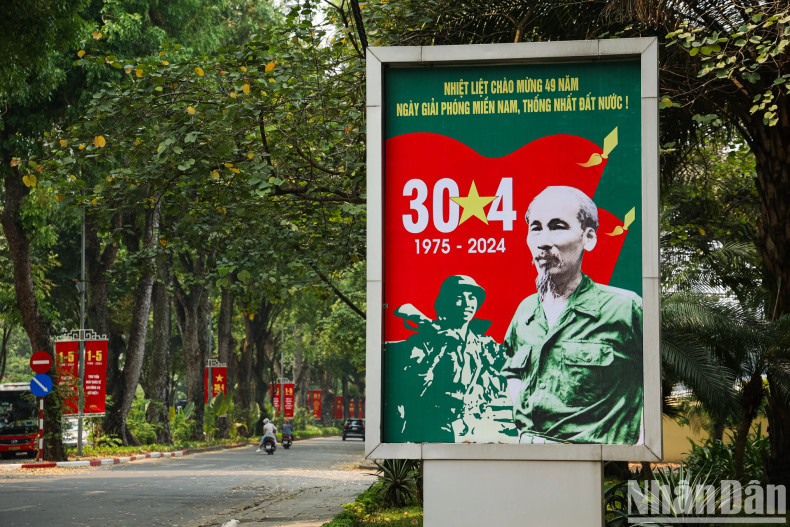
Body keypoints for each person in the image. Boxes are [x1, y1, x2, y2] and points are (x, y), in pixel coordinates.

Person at [502, 185, 643, 444]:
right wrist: (523, 427)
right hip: (528, 459)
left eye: (557, 226)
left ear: (588, 237)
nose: (543, 241)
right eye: (536, 228)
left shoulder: (625, 307)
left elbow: (653, 379)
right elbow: (512, 370)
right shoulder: (525, 310)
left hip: (595, 463)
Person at [385, 275, 516, 443]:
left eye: (472, 297)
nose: (468, 303)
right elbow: (413, 386)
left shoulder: (483, 344)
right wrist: (437, 347)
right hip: (432, 428)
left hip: (471, 429)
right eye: (459, 297)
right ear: (445, 303)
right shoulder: (424, 341)